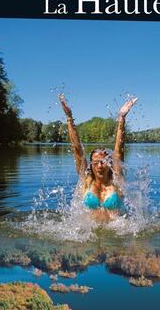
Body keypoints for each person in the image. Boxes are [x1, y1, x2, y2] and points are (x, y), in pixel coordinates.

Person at [58, 94, 137, 222]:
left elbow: (118, 150)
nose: (100, 166)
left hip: (115, 232)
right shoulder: (86, 180)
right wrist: (69, 118)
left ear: (110, 163)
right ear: (91, 164)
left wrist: (122, 118)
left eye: (104, 162)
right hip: (90, 234)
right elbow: (77, 149)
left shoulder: (116, 180)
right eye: (96, 163)